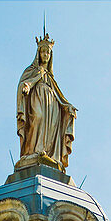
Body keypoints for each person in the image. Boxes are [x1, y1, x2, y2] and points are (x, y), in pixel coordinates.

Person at [16, 33, 76, 171]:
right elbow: (25, 82)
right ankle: (33, 151)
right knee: (38, 118)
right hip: (37, 99)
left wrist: (68, 107)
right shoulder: (31, 70)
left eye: (48, 52)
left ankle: (50, 154)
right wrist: (25, 86)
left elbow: (60, 97)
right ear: (38, 54)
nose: (45, 55)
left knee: (52, 126)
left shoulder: (50, 77)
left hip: (51, 105)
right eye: (43, 52)